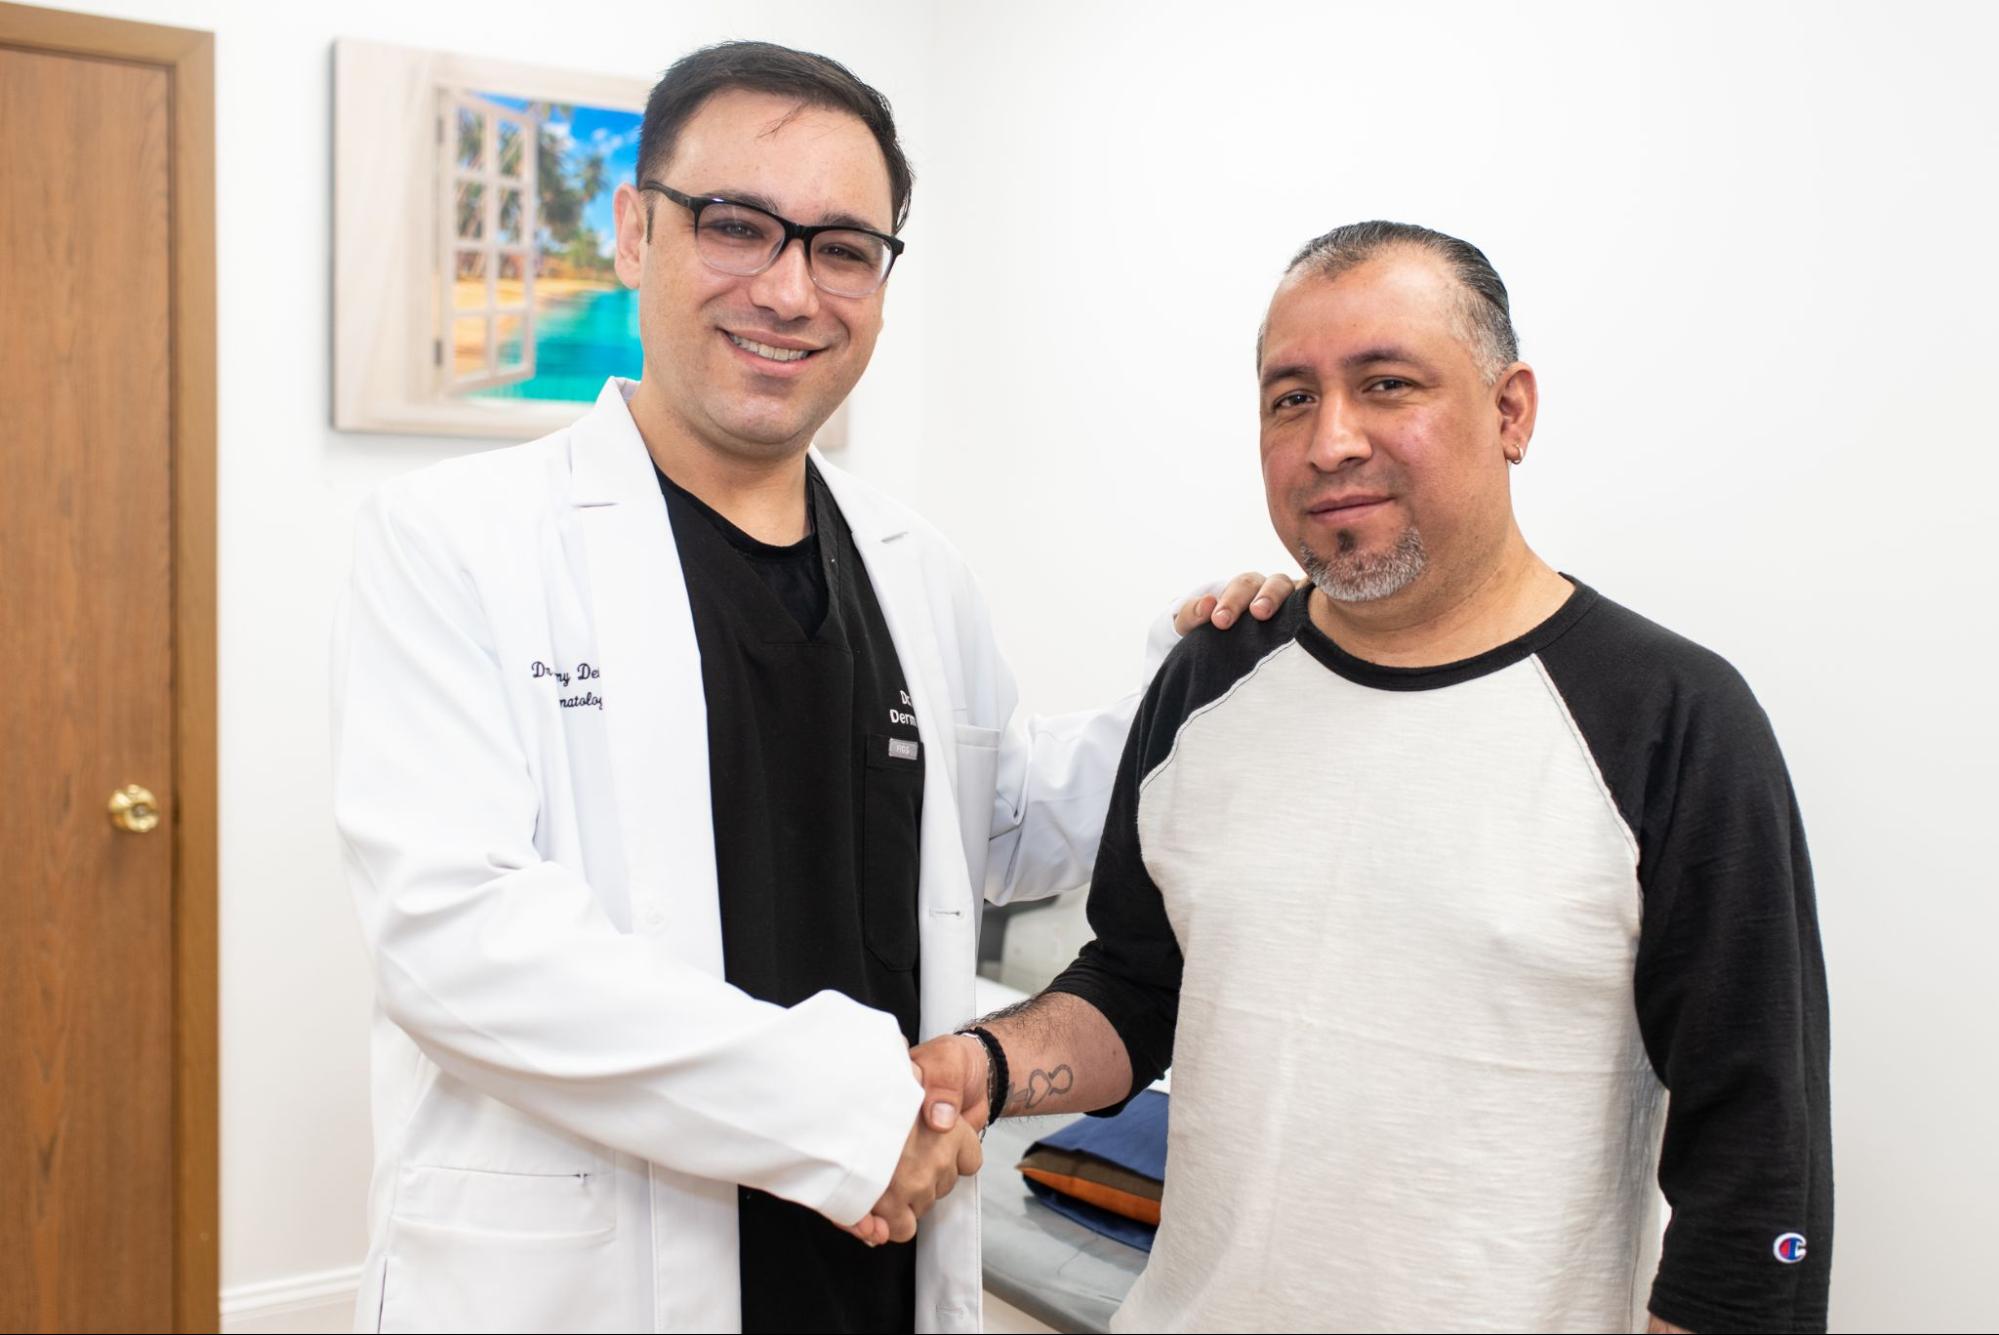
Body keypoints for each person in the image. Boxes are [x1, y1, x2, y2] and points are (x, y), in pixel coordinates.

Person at [332, 40, 1291, 1335]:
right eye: (736, 226)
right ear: (633, 231)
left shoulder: (914, 567)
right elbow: (455, 941)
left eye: (842, 248)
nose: (789, 291)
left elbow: (994, 824)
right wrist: (852, 1110)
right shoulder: (459, 541)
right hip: (598, 1276)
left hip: (872, 1260)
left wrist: (1214, 688)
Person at [914, 221, 1834, 1334]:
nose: (1329, 441)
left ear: (1510, 411)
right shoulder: (1210, 678)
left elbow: (1759, 1166)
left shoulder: (1671, 719)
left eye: (1387, 384)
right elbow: (1136, 989)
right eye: (1290, 398)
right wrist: (980, 1066)